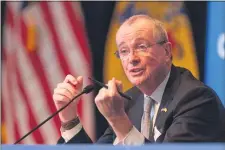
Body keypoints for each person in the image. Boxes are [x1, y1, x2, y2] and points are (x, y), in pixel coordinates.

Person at [53, 15, 225, 144]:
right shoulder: (131, 100)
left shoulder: (197, 99)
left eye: (141, 47)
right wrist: (69, 119)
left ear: (166, 52)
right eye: (124, 51)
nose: (131, 58)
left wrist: (118, 120)